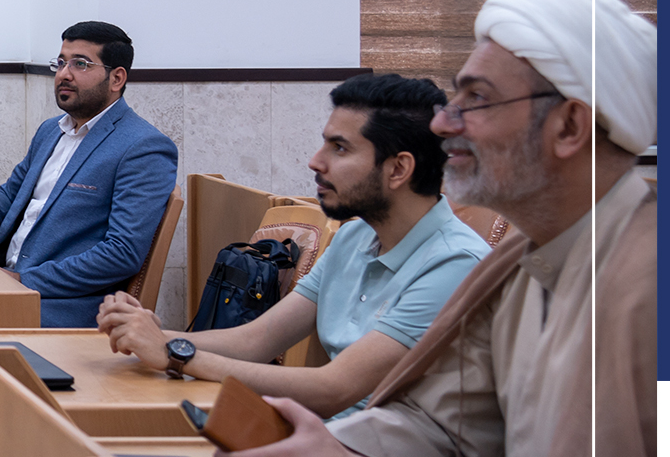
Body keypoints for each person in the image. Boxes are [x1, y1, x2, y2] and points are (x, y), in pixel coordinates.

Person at [213, 0, 656, 457]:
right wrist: (314, 451)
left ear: (570, 127)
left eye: (475, 101)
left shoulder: (644, 282)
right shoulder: (523, 259)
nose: (445, 125)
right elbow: (440, 422)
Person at [95, 74, 490, 416]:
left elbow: (333, 388)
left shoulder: (456, 264)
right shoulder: (354, 237)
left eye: (339, 148)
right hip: (331, 438)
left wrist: (177, 355)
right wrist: (151, 335)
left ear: (398, 169)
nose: (315, 161)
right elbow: (256, 340)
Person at [0, 21, 178, 327]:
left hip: (59, 306)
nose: (64, 74)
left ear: (116, 78)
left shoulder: (143, 147)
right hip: (3, 280)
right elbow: (12, 194)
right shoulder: (51, 131)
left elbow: (122, 253)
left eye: (80, 64)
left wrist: (22, 280)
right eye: (60, 63)